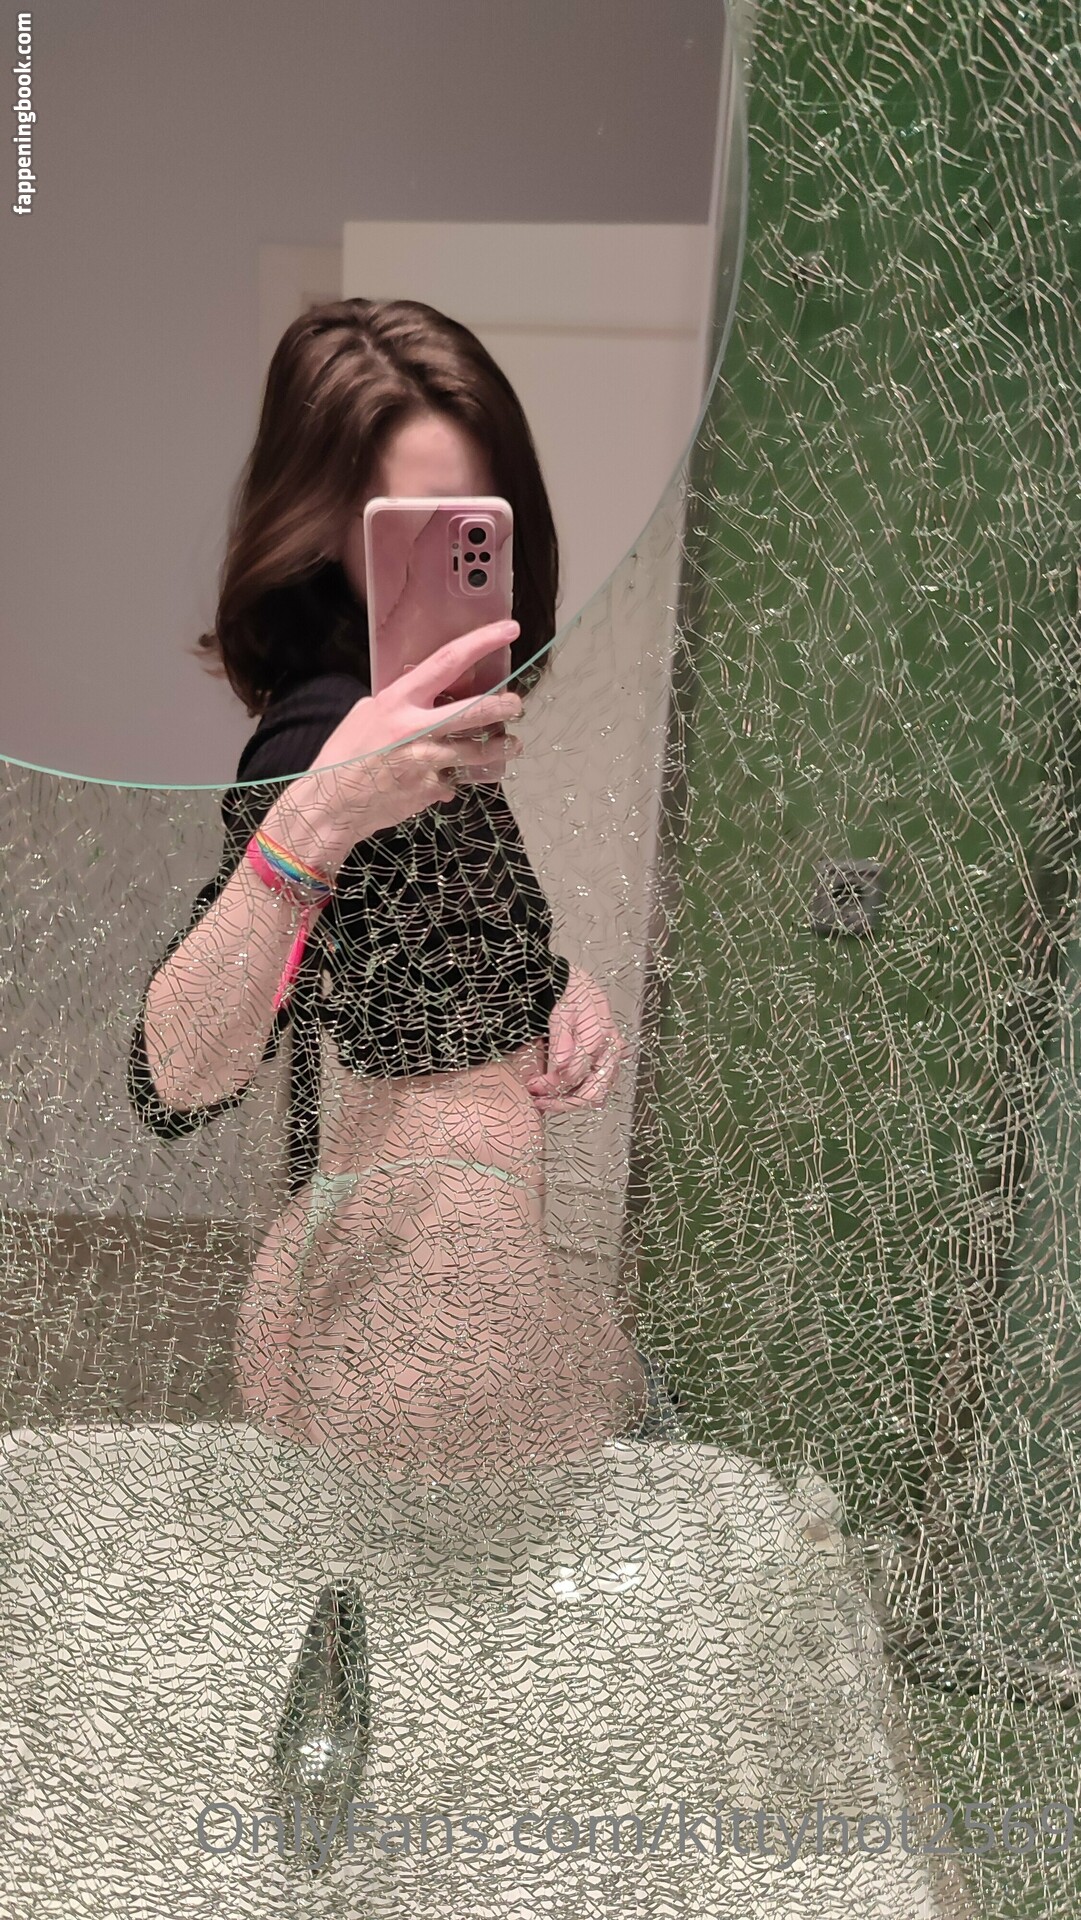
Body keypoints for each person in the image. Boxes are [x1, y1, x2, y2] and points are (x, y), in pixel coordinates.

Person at [127, 296, 663, 1486]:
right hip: (424, 1320)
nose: (452, 563)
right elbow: (173, 1076)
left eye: (477, 520)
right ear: (323, 530)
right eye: (408, 527)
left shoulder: (412, 742)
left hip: (420, 1286)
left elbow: (398, 955)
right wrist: (319, 812)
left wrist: (545, 984)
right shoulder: (321, 738)